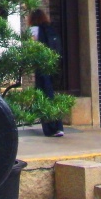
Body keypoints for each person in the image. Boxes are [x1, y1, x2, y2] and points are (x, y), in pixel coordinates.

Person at [29, 8, 64, 137]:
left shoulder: (33, 30)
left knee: (42, 96)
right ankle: (59, 126)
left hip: (41, 68)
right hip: (52, 67)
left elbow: (31, 49)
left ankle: (49, 128)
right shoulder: (50, 29)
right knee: (52, 97)